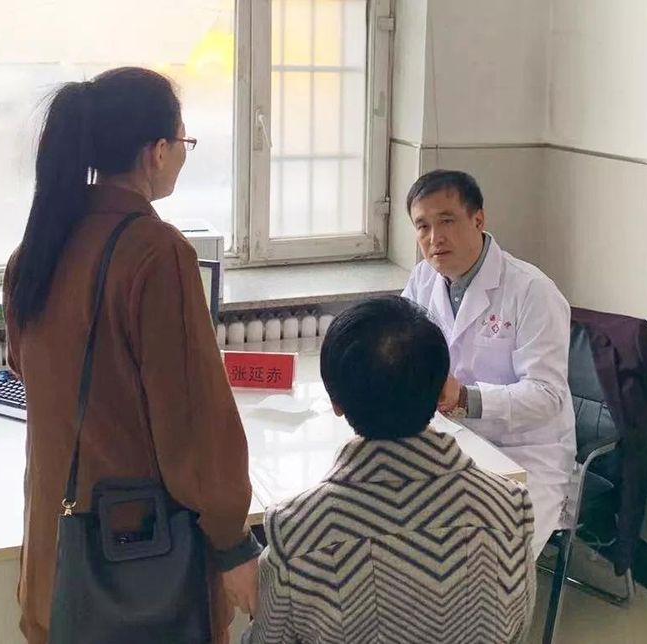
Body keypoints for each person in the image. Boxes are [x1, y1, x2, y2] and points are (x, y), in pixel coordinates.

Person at [2, 67, 259, 644]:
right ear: (156, 151)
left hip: (55, 555)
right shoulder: (156, 251)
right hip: (139, 565)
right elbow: (191, 420)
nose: (183, 156)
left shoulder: (33, 251)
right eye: (184, 141)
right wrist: (232, 543)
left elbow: (27, 368)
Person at [246, 296, 536, 644]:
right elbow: (517, 628)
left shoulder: (299, 528)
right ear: (442, 391)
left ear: (335, 402)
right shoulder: (509, 507)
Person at [401, 169, 576, 557]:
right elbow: (403, 348)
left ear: (478, 219)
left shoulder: (532, 291)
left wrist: (465, 398)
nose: (435, 238)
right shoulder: (423, 279)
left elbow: (547, 396)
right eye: (423, 226)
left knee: (492, 561)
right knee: (410, 539)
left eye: (447, 220)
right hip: (449, 439)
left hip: (526, 452)